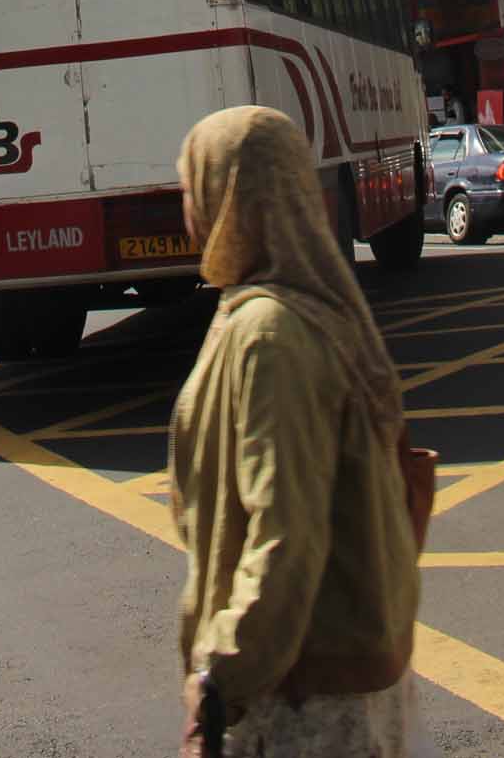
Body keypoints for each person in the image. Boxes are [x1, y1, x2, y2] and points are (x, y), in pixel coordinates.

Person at [169, 107, 432, 757]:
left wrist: (220, 679)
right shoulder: (291, 311)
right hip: (332, 680)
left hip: (303, 699)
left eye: (189, 189)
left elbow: (285, 534)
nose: (186, 209)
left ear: (228, 200)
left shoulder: (270, 334)